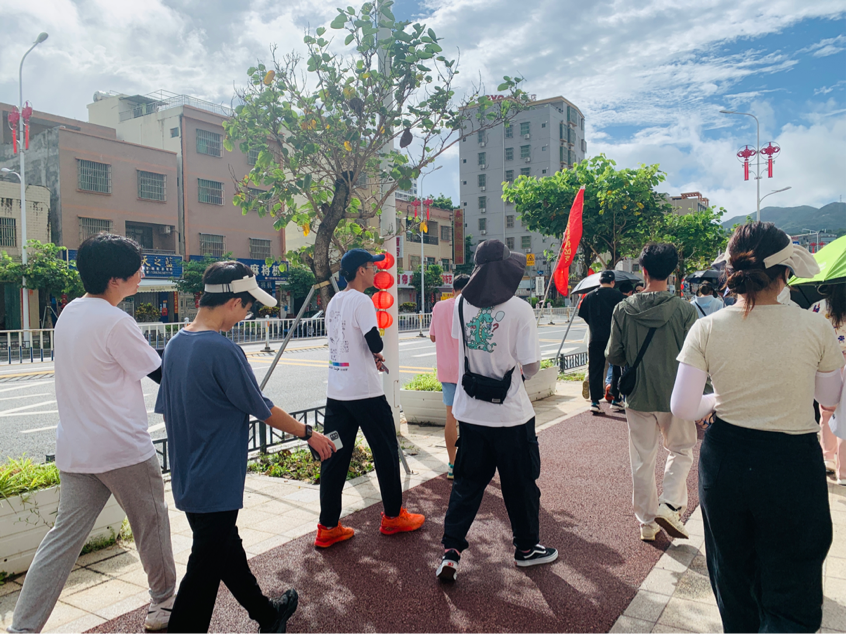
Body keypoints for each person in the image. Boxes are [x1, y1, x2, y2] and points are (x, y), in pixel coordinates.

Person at [671, 222, 843, 633]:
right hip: (792, 461)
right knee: (793, 582)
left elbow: (683, 406)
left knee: (733, 576)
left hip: (726, 458)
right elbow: (827, 398)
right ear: (785, 272)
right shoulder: (815, 326)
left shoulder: (707, 327)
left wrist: (719, 400)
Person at [9, 234, 177, 634]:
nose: (142, 274)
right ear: (115, 279)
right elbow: (160, 372)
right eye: (137, 269)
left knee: (61, 540)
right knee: (151, 524)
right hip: (122, 449)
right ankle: (164, 603)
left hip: (77, 450)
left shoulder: (70, 313)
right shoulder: (116, 321)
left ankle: (23, 628)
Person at [155, 261, 336, 633]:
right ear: (234, 302)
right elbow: (262, 408)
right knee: (202, 574)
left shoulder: (175, 344)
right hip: (217, 479)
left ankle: (267, 614)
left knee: (225, 551)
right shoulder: (221, 350)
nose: (247, 315)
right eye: (249, 307)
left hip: (189, 476)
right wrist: (308, 433)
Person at [437, 240, 557, 583]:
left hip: (470, 413)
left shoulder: (460, 304)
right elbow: (531, 366)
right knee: (520, 486)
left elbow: (462, 348)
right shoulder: (520, 309)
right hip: (511, 416)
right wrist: (515, 373)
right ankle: (526, 549)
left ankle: (450, 552)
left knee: (466, 485)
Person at [316, 249, 425, 548]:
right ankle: (393, 516)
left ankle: (328, 526)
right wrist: (376, 352)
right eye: (372, 266)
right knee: (385, 451)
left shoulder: (334, 301)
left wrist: (368, 354)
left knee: (334, 457)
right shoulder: (362, 301)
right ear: (361, 271)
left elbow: (345, 342)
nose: (376, 271)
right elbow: (374, 341)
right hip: (365, 393)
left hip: (337, 394)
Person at [606, 244, 698, 542]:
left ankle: (647, 522)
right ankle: (669, 505)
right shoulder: (685, 310)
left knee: (642, 459)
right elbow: (697, 358)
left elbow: (614, 354)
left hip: (638, 395)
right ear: (672, 272)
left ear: (643, 270)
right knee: (681, 450)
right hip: (676, 396)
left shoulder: (623, 309)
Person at [429, 274, 471, 479]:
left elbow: (432, 336)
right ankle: (470, 462)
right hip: (468, 371)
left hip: (446, 370)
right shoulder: (470, 306)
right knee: (470, 419)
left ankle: (452, 464)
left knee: (450, 417)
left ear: (453, 289)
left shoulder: (439, 307)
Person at [812, 285, 846, 483]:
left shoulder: (820, 307)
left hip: (827, 364)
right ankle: (843, 471)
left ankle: (827, 457)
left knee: (826, 412)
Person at [578, 270, 625, 414]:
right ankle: (616, 398)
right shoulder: (620, 297)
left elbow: (584, 314)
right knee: (617, 367)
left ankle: (595, 401)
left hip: (595, 337)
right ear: (613, 282)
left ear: (599, 281)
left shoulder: (589, 296)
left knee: (595, 368)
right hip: (614, 337)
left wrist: (594, 325)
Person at [604, 281, 637, 408]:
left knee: (613, 367)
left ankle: (611, 389)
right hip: (625, 342)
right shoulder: (627, 304)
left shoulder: (615, 303)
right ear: (630, 292)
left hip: (609, 338)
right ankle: (619, 396)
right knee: (622, 370)